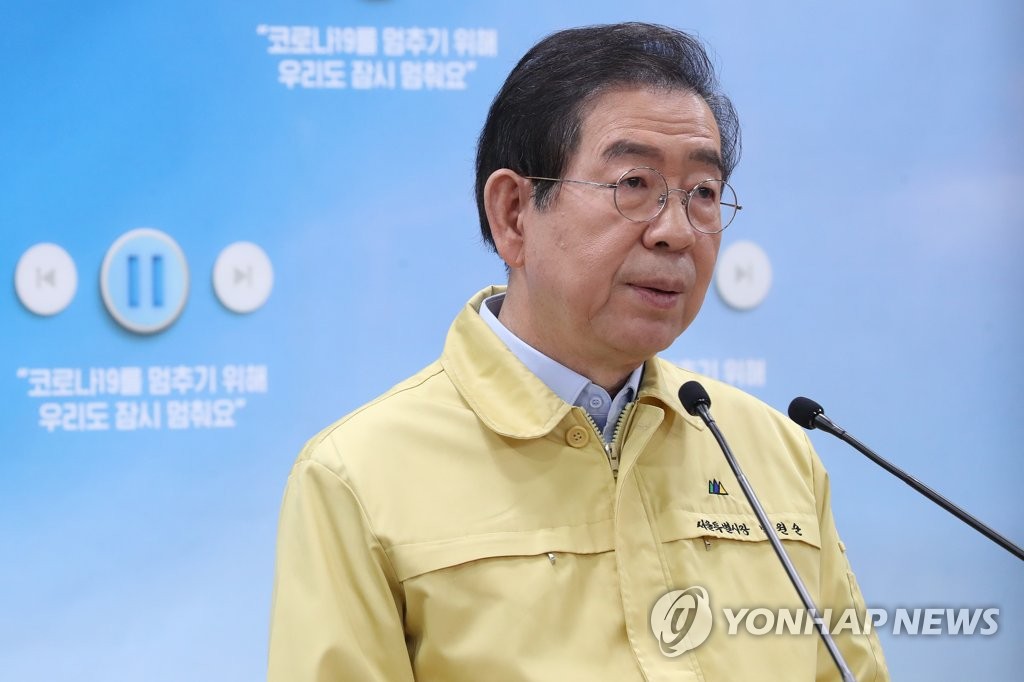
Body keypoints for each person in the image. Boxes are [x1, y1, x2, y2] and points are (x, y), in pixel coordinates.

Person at [268, 22, 889, 681]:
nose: (676, 231)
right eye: (634, 183)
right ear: (514, 213)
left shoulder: (773, 454)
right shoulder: (358, 477)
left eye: (703, 193)